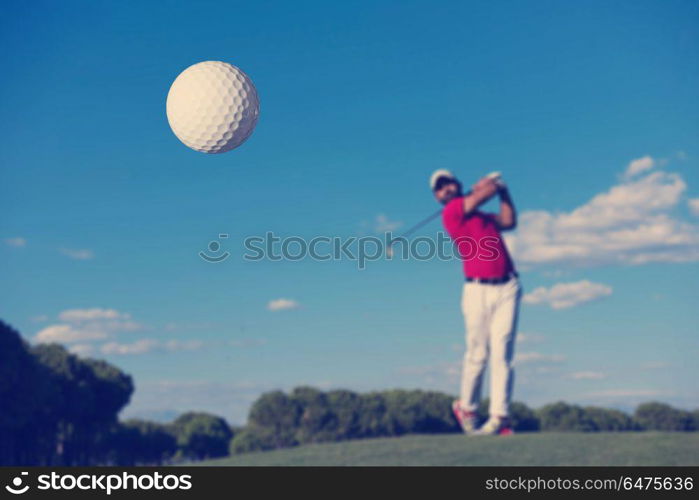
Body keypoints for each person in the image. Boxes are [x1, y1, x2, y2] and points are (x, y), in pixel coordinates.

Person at [430, 169, 521, 436]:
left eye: (449, 184)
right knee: (478, 354)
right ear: (438, 197)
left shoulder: (481, 215)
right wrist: (488, 185)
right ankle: (467, 408)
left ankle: (500, 417)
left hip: (508, 285)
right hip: (476, 290)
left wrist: (504, 191)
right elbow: (486, 193)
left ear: (457, 184)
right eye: (440, 188)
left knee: (503, 354)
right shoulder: (452, 212)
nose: (446, 189)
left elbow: (509, 220)